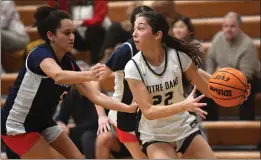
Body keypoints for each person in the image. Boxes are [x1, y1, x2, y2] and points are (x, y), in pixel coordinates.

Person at [1, 6, 137, 159]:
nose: (72, 37)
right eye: (66, 33)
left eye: (72, 32)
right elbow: (58, 75)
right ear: (51, 35)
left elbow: (96, 96)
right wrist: (90, 74)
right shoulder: (39, 54)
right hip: (18, 126)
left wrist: (127, 108)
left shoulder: (69, 64)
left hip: (43, 123)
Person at [124, 11, 250, 159]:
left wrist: (237, 94)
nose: (134, 34)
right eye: (134, 29)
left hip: (183, 128)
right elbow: (149, 111)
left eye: (140, 28)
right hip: (155, 135)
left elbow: (209, 90)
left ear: (157, 35)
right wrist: (183, 106)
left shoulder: (178, 57)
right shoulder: (133, 67)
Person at [92, 5, 154, 159]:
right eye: (138, 26)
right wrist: (101, 115)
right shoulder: (127, 50)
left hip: (151, 114)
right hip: (126, 118)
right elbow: (94, 81)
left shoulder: (161, 47)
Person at [205, 12, 260, 120]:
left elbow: (247, 74)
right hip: (227, 78)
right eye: (225, 26)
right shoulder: (218, 38)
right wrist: (210, 79)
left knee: (246, 91)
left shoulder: (248, 45)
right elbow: (211, 58)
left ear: (239, 28)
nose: (228, 29)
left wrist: (226, 83)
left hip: (251, 79)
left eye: (232, 26)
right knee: (207, 89)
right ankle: (211, 127)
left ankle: (246, 128)